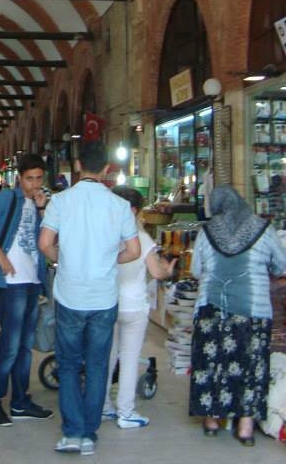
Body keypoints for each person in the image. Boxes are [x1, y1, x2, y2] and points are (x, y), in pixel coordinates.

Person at [39, 141, 140, 455]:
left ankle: (71, 432)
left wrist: (61, 261)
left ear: (78, 165)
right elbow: (134, 251)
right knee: (97, 365)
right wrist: (109, 262)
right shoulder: (119, 206)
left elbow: (45, 244)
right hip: (103, 298)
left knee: (68, 364)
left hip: (70, 294)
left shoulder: (60, 201)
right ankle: (88, 435)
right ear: (107, 169)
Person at [189, 185, 286, 445]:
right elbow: (281, 265)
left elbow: (196, 270)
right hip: (253, 309)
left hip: (212, 306)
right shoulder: (263, 230)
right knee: (252, 365)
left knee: (212, 363)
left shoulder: (207, 231)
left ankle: (211, 420)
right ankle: (245, 428)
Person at [0, 154, 53, 426]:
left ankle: (19, 402)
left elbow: (46, 242)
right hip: (11, 283)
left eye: (39, 178)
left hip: (31, 281)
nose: (35, 184)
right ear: (20, 178)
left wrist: (42, 211)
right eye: (30, 178)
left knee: (25, 347)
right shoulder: (9, 198)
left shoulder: (41, 203)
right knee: (9, 347)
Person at [103, 186, 177, 429]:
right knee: (130, 358)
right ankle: (126, 412)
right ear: (134, 210)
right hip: (133, 306)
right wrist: (168, 270)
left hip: (107, 303)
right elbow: (156, 272)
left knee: (107, 357)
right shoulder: (141, 237)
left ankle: (103, 406)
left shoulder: (104, 233)